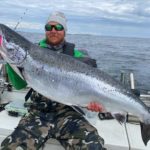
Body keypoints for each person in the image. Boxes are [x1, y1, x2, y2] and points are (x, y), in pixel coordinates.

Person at [1, 11, 106, 150]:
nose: (53, 31)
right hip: (37, 114)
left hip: (69, 114)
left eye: (58, 27)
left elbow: (89, 90)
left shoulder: (78, 56)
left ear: (65, 31)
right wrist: (10, 61)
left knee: (94, 146)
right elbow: (19, 86)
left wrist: (92, 105)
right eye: (49, 27)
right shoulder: (32, 51)